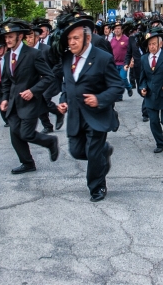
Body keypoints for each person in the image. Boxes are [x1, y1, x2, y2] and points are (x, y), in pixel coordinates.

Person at [55, 15, 123, 202]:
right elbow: (67, 84)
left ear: (88, 38)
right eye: (69, 39)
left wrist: (99, 98)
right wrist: (63, 100)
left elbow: (117, 87)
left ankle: (97, 187)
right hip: (76, 115)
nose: (72, 42)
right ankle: (104, 152)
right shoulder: (68, 58)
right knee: (77, 151)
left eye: (76, 38)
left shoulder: (103, 58)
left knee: (93, 153)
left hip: (97, 115)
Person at [0, 20, 59, 175]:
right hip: (13, 103)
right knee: (15, 136)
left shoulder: (34, 54)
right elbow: (6, 82)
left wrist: (33, 91)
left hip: (30, 102)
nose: (8, 40)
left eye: (11, 37)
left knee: (26, 133)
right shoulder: (7, 57)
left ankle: (50, 141)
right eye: (6, 37)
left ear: (20, 36)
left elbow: (48, 76)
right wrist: (5, 99)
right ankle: (27, 163)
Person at [25, 25, 64, 134]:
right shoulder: (27, 51)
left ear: (37, 38)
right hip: (36, 82)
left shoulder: (47, 49)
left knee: (44, 99)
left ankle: (57, 112)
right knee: (39, 103)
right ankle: (48, 125)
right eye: (26, 38)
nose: (28, 40)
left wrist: (49, 74)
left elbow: (59, 63)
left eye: (30, 37)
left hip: (50, 80)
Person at [125, 21, 150, 121]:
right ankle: (149, 105)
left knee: (147, 89)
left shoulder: (147, 37)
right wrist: (127, 63)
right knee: (141, 91)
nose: (138, 31)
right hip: (137, 68)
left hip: (148, 67)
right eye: (137, 29)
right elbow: (128, 53)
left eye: (140, 30)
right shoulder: (131, 39)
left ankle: (145, 113)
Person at [110, 20, 133, 100]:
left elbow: (131, 51)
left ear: (122, 30)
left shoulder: (126, 39)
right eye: (115, 28)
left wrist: (131, 60)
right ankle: (121, 94)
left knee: (122, 78)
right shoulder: (112, 40)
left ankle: (128, 88)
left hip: (124, 63)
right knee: (117, 80)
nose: (117, 30)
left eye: (119, 28)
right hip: (115, 63)